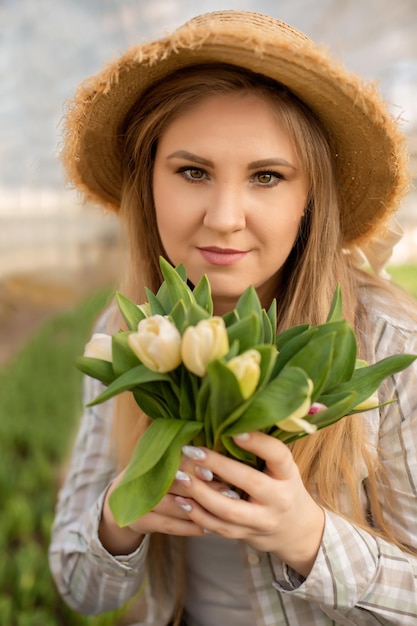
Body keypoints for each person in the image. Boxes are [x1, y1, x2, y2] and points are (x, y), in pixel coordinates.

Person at [49, 10, 417, 626]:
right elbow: (79, 587)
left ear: (309, 199)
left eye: (267, 177)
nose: (224, 217)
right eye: (193, 172)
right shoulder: (132, 336)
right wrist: (120, 519)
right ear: (149, 184)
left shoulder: (384, 343)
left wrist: (309, 537)